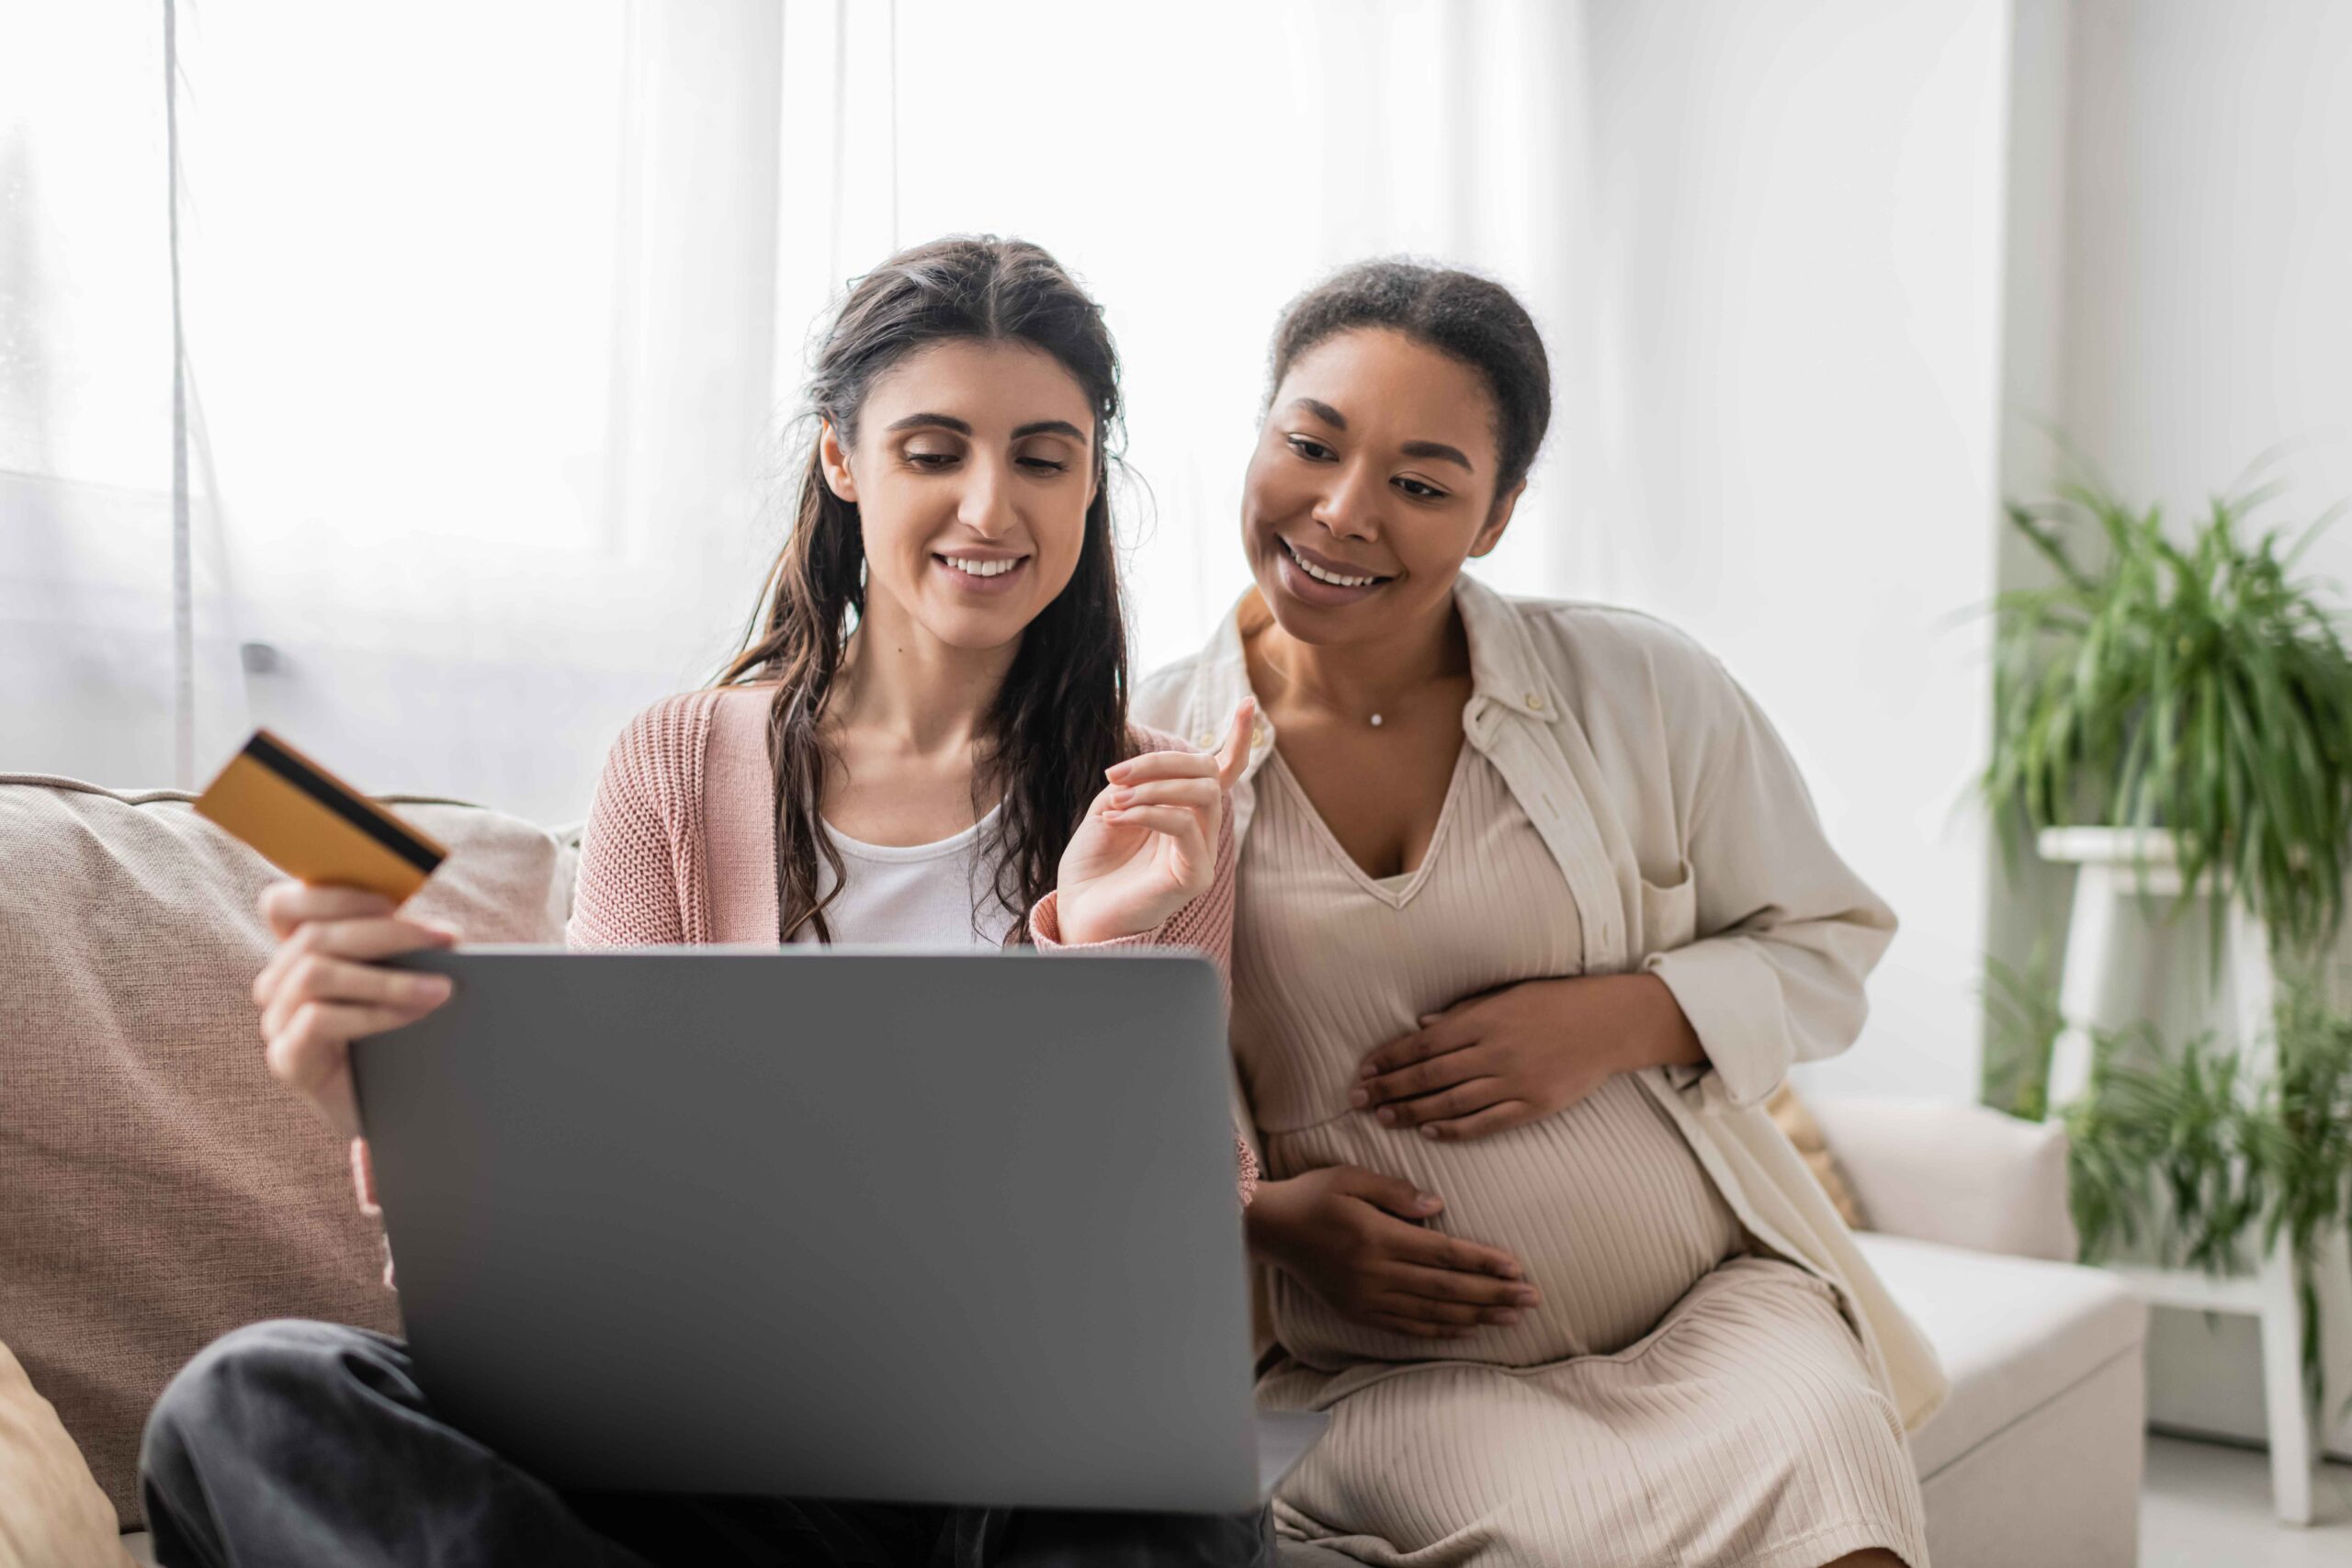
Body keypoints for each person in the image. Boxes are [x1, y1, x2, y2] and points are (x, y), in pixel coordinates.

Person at [140, 237, 1268, 1568]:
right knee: (247, 1400)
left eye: (1042, 456)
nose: (989, 506)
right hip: (699, 1453)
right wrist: (406, 1108)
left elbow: (1172, 1270)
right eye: (932, 450)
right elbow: (580, 1237)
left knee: (1179, 1501)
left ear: (1091, 486)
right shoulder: (676, 764)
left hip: (1013, 1481)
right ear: (844, 463)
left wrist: (1097, 943)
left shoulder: (1157, 807)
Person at [1136, 259, 1944, 1567]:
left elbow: (1830, 949)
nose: (1344, 513)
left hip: (1712, 1315)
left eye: (1422, 483)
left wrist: (1624, 1017)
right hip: (1392, 1380)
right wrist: (1269, 1223)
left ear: (1497, 515)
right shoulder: (1145, 749)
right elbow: (1101, 1104)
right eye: (1311, 444)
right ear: (1261, 434)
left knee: (1836, 1489)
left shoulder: (1642, 686)